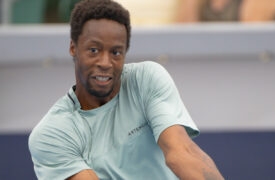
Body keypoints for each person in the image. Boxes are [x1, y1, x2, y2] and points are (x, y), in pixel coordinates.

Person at [28, 0, 224, 179]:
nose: (105, 63)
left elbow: (181, 153)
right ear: (73, 48)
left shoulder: (146, 79)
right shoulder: (51, 134)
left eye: (116, 52)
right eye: (94, 50)